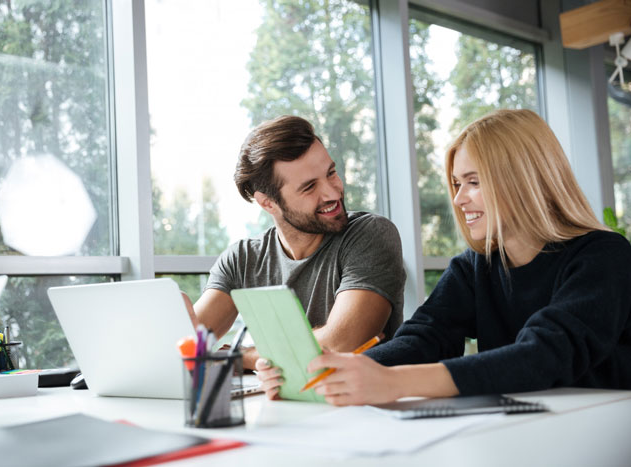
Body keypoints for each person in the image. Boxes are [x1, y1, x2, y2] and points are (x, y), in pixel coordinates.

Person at [257, 108, 631, 403]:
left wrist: (393, 383)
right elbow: (424, 337)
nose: (458, 199)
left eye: (473, 182)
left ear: (522, 180)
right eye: (456, 184)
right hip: (524, 426)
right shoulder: (474, 268)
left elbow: (543, 354)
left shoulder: (604, 257)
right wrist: (328, 372)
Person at [191, 115, 406, 370]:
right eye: (309, 187)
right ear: (267, 203)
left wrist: (245, 356)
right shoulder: (242, 259)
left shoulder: (370, 235)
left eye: (331, 173)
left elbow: (341, 343)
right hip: (276, 404)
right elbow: (190, 345)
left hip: (361, 405)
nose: (333, 193)